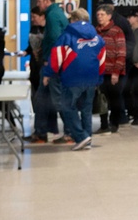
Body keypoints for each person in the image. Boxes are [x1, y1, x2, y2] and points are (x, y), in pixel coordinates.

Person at [43, 8, 104, 151]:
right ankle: (87, 139)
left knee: (67, 107)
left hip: (72, 78)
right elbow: (101, 59)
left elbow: (56, 56)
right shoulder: (97, 38)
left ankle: (81, 137)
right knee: (86, 109)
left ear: (74, 20)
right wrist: (99, 78)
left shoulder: (66, 37)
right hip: (91, 78)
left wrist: (48, 74)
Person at [31, 0, 69, 143]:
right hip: (53, 63)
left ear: (47, 1)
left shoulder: (52, 15)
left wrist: (50, 61)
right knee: (41, 99)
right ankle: (40, 132)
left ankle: (71, 132)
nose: (38, 5)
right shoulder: (56, 13)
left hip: (53, 65)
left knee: (58, 100)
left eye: (39, 1)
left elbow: (55, 39)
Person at [94, 4, 127, 134]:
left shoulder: (117, 31)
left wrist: (116, 72)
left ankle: (114, 124)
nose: (99, 17)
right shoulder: (95, 32)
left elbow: (121, 53)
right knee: (101, 99)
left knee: (114, 99)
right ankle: (103, 125)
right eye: (98, 15)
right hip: (100, 72)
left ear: (109, 16)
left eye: (102, 15)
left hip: (113, 72)